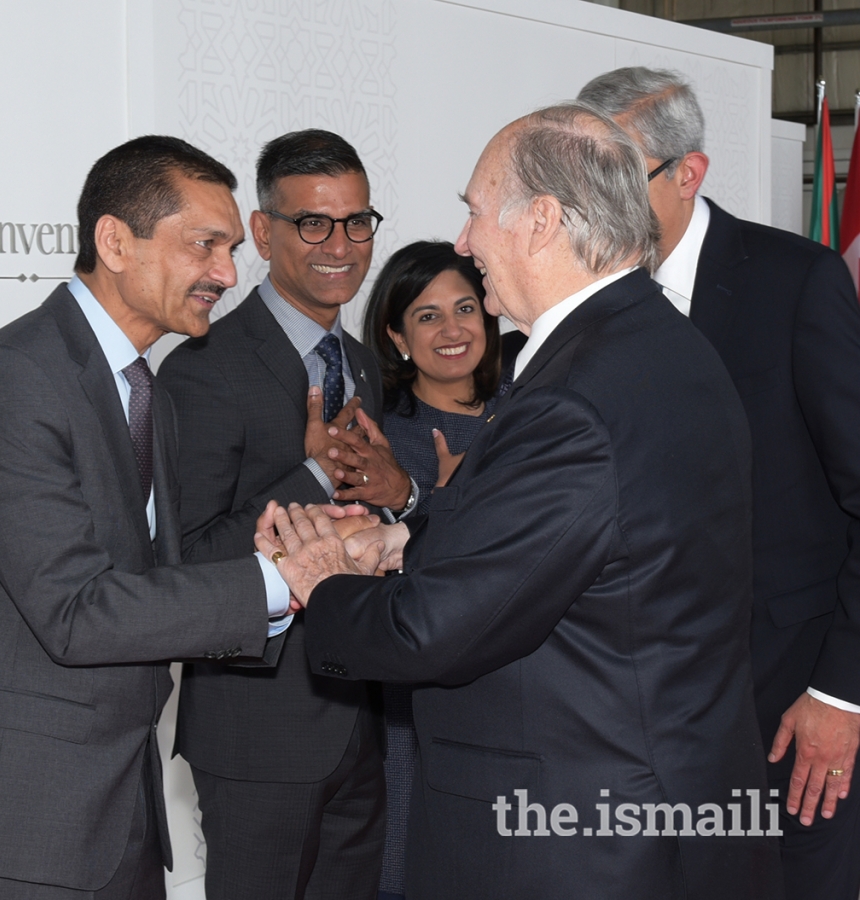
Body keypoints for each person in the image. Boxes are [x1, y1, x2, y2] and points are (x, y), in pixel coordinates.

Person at [257, 106, 781, 899]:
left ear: (539, 222)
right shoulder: (666, 345)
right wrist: (413, 544)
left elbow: (429, 631)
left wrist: (323, 579)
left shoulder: (573, 395)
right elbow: (598, 553)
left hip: (573, 842)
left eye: (472, 213)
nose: (464, 244)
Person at [0, 135, 294, 900]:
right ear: (115, 241)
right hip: (28, 826)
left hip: (121, 813)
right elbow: (77, 611)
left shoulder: (144, 390)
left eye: (229, 251)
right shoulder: (14, 380)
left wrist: (275, 558)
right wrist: (276, 583)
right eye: (206, 246)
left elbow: (150, 587)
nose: (227, 273)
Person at [578, 67, 860, 900]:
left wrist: (839, 693)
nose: (591, 201)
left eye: (613, 175)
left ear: (687, 174)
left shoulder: (794, 281)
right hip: (641, 719)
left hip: (791, 705)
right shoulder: (587, 299)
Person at [157, 128, 415, 900]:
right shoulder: (203, 367)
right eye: (313, 223)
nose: (340, 245)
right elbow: (187, 559)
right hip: (257, 732)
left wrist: (398, 498)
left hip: (360, 718)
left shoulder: (363, 361)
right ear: (263, 233)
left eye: (357, 221)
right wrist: (310, 473)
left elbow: (367, 532)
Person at [359, 240, 514, 900]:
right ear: (395, 335)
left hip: (530, 695)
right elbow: (384, 583)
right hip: (419, 708)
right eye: (427, 316)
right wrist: (446, 507)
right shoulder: (382, 440)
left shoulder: (536, 413)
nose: (453, 330)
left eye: (465, 308)